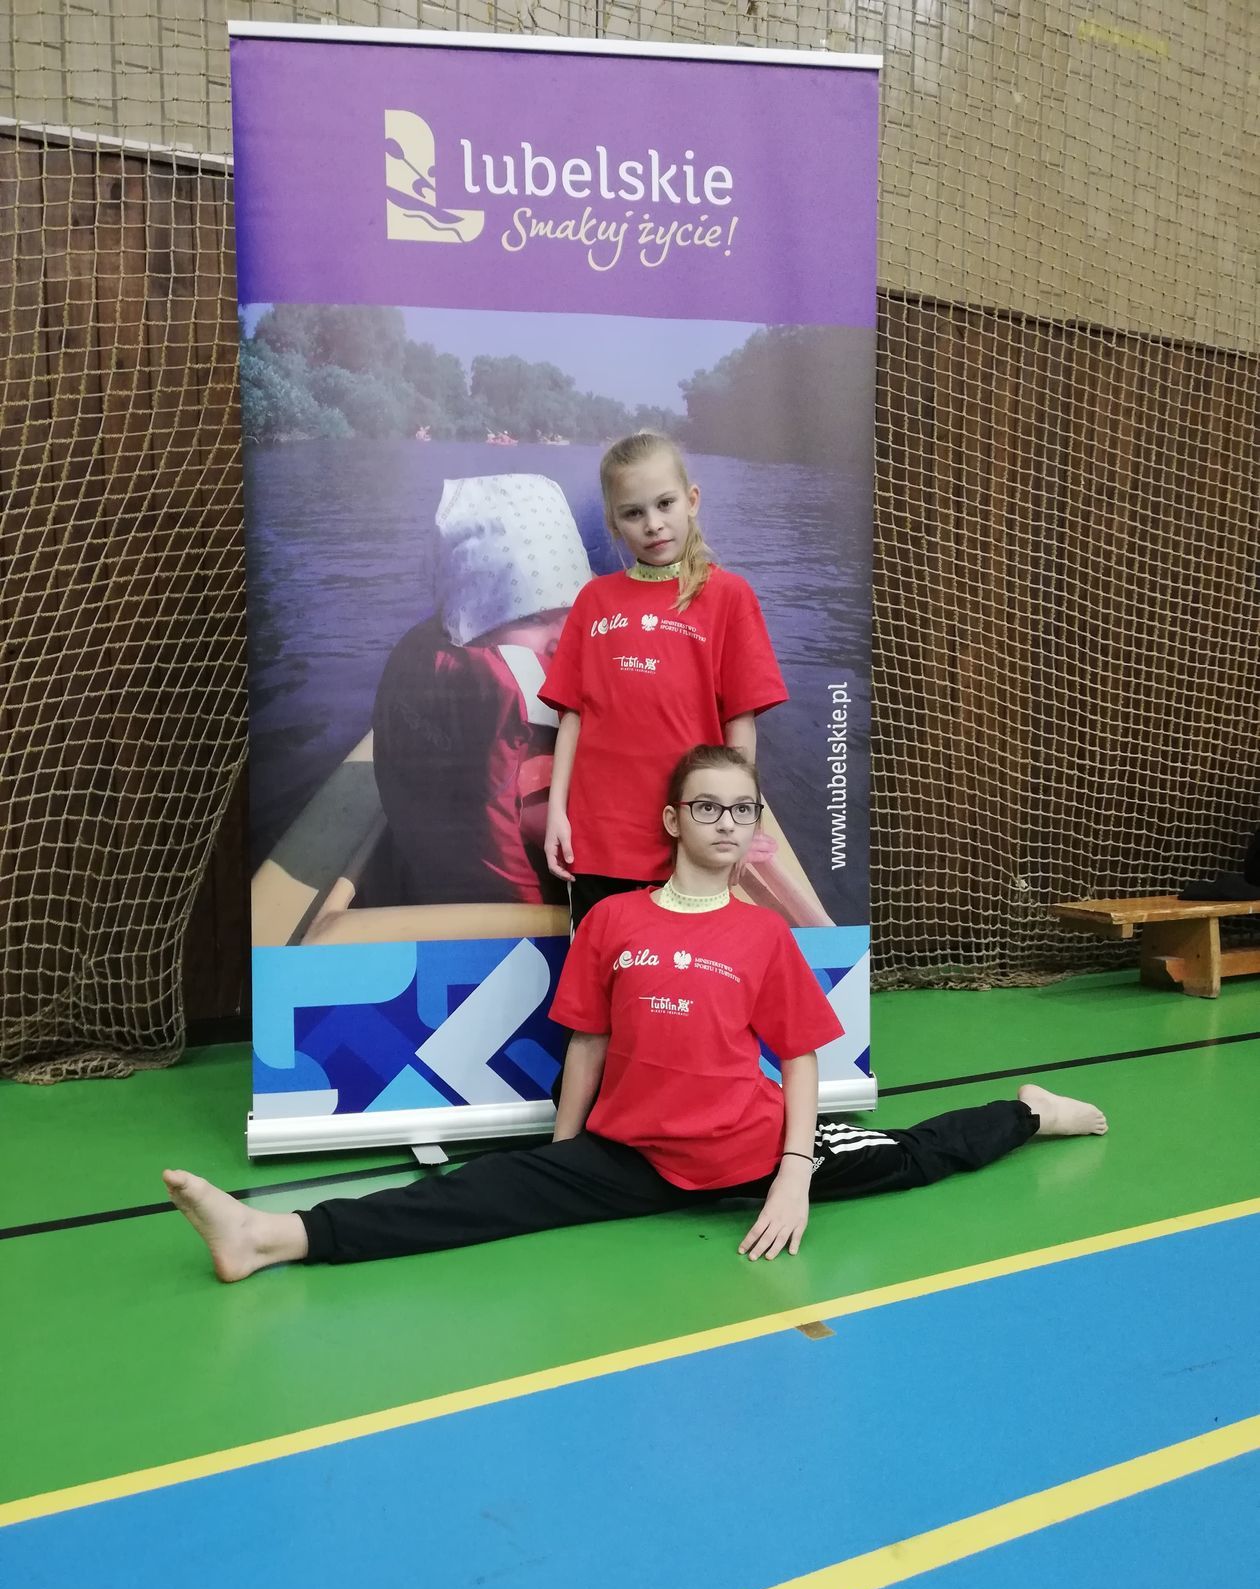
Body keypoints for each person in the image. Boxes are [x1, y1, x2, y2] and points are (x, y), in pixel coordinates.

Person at [163, 746, 1108, 1281]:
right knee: (467, 1198)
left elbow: (801, 1061)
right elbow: (587, 1040)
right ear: (673, 821)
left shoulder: (762, 934)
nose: (728, 823)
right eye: (709, 808)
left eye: (743, 810)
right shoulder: (615, 921)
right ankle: (270, 1236)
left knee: (918, 1155)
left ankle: (1030, 1112)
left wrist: (791, 1177)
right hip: (629, 1155)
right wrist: (558, 1155)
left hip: (748, 1155)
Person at [539, 431, 789, 933]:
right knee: (605, 970)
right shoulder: (594, 600)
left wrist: (738, 820)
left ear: (691, 501)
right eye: (633, 513)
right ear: (614, 522)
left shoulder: (730, 596)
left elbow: (740, 727)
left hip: (690, 841)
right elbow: (572, 718)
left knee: (681, 974)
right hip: (599, 839)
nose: (653, 523)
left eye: (665, 504)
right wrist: (557, 815)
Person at [371, 472, 594, 907]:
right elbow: (582, 842)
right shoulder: (520, 710)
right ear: (474, 621)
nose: (560, 639)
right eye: (531, 618)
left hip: (437, 885)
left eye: (572, 614)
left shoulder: (445, 667)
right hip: (520, 926)